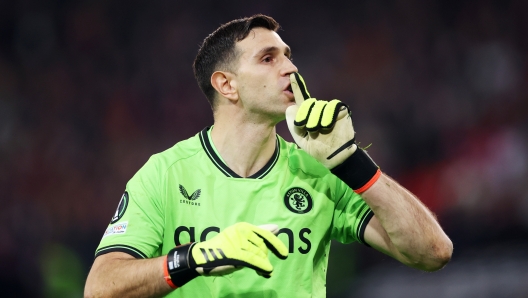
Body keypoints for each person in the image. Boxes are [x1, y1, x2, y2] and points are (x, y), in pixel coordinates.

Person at [84, 14, 452, 298]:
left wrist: (350, 161)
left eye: (288, 57)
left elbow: (433, 252)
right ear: (226, 84)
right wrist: (193, 259)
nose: (291, 69)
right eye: (268, 58)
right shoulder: (164, 175)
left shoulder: (319, 174)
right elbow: (101, 287)